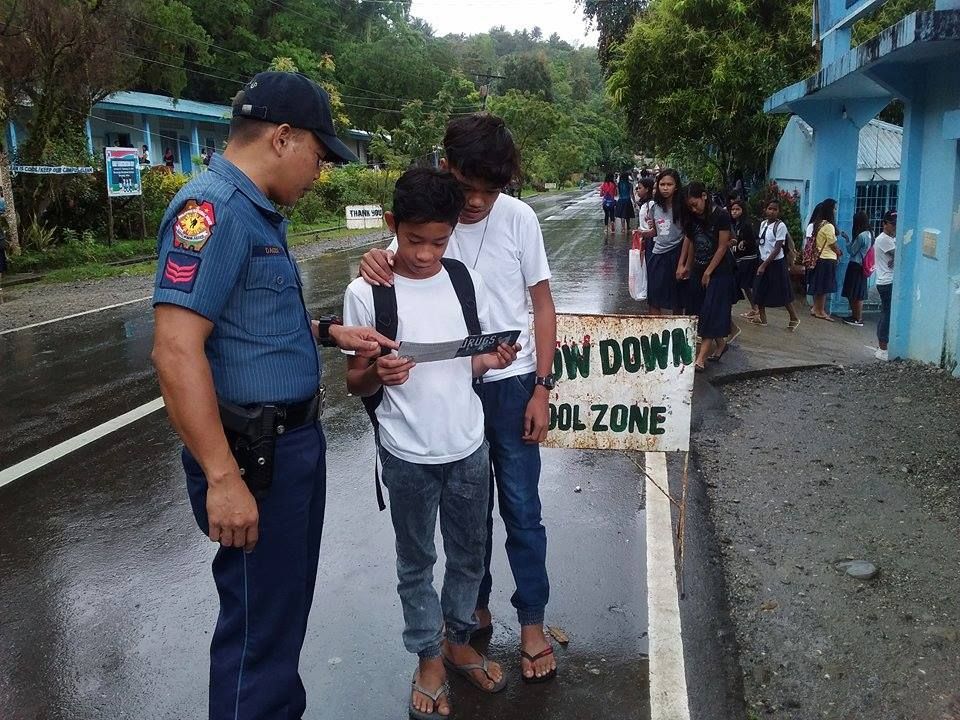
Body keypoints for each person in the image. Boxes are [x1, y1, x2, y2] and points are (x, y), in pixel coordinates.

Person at [150, 71, 396, 720]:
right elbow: (175, 350)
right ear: (283, 138)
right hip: (254, 458)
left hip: (289, 448)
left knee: (280, 619)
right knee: (259, 632)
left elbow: (245, 322)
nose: (321, 171)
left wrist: (327, 331)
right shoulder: (213, 211)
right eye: (319, 153)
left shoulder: (256, 210)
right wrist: (222, 478)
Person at [359, 112, 559, 685]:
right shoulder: (433, 218)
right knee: (470, 517)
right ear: (446, 167)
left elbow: (541, 303)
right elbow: (395, 263)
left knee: (522, 507)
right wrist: (372, 258)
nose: (476, 202)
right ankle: (473, 612)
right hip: (452, 386)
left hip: (512, 383)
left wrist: (542, 386)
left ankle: (532, 620)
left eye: (490, 192)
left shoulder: (519, 219)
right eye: (468, 187)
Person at [345, 167, 519, 719]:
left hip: (469, 446)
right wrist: (377, 373)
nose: (425, 254)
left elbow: (474, 361)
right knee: (416, 560)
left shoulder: (465, 281)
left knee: (470, 552)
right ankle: (428, 657)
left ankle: (458, 639)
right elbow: (355, 382)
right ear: (392, 223)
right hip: (406, 455)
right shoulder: (366, 291)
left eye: (439, 242)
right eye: (414, 239)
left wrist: (495, 359)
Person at [682, 182, 736, 369]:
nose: (693, 209)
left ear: (704, 196)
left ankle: (700, 359)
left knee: (711, 312)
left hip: (720, 271)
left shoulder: (721, 215)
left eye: (695, 204)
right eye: (690, 206)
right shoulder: (692, 217)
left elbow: (722, 246)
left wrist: (709, 271)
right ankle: (721, 344)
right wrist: (687, 266)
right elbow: (692, 242)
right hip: (698, 268)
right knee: (696, 309)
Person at [642, 168, 686, 314]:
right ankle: (655, 327)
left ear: (676, 187)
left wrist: (683, 263)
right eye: (662, 184)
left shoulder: (683, 208)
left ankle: (677, 327)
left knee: (677, 299)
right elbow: (655, 232)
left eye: (669, 184)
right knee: (654, 297)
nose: (665, 188)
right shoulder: (654, 207)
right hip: (658, 255)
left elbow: (688, 236)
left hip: (677, 254)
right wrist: (642, 234)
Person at [753, 199, 801, 330]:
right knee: (759, 290)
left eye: (775, 209)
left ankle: (794, 317)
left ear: (779, 212)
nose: (772, 212)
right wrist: (761, 262)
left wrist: (764, 265)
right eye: (770, 209)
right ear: (765, 210)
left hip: (775, 263)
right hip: (763, 259)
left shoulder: (780, 226)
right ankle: (762, 318)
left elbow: (777, 248)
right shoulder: (763, 224)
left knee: (782, 291)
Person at [809, 198, 844, 321]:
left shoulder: (819, 224)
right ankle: (821, 311)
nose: (835, 211)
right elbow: (832, 244)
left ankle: (816, 308)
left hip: (820, 257)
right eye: (834, 208)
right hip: (828, 258)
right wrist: (839, 253)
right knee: (824, 288)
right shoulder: (829, 226)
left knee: (820, 286)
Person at [729, 198, 758, 320]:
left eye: (737, 209)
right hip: (739, 258)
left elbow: (752, 240)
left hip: (748, 258)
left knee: (745, 284)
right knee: (743, 285)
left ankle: (756, 308)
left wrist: (744, 242)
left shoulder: (746, 224)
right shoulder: (734, 224)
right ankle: (754, 307)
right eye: (733, 209)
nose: (734, 211)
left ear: (743, 210)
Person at [842, 210, 872, 327]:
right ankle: (856, 317)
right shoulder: (870, 234)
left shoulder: (861, 236)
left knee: (853, 292)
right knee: (858, 292)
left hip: (855, 265)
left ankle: (857, 318)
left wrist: (847, 240)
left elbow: (852, 251)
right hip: (863, 265)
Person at [874, 209, 897, 360]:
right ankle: (883, 347)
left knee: (886, 313)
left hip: (887, 280)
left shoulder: (890, 239)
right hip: (887, 281)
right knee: (886, 314)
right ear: (885, 224)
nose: (895, 227)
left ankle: (882, 347)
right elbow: (900, 254)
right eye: (892, 224)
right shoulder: (884, 239)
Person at [635, 177, 656, 263]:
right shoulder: (644, 204)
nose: (637, 190)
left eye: (640, 188)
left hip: (650, 239)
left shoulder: (651, 204)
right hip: (644, 238)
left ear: (647, 189)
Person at [615, 170, 635, 235]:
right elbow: (631, 194)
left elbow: (618, 193)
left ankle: (623, 228)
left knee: (622, 215)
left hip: (621, 200)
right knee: (627, 214)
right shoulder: (630, 184)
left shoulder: (618, 184)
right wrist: (634, 202)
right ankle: (628, 226)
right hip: (628, 200)